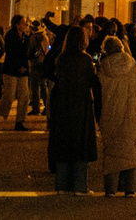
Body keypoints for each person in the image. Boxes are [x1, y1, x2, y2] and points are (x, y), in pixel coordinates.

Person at [95, 31, 136, 197]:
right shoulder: (133, 63)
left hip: (110, 110)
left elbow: (97, 93)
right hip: (133, 110)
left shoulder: (102, 67)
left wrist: (97, 115)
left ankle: (111, 189)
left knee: (112, 151)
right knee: (133, 150)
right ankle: (130, 189)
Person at [46, 28, 100, 194]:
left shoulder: (61, 59)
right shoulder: (85, 59)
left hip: (62, 103)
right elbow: (93, 81)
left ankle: (61, 185)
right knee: (80, 143)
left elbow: (52, 74)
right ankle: (79, 186)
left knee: (63, 142)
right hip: (80, 104)